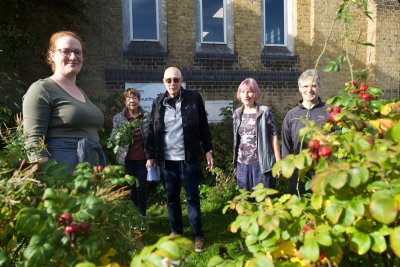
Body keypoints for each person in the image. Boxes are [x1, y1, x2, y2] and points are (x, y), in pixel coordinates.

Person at [146, 67, 214, 253]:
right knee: (171, 197)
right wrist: (150, 156)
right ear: (163, 81)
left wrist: (208, 149)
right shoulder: (159, 102)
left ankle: (197, 234)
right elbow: (152, 130)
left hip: (188, 158)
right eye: (168, 80)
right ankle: (176, 231)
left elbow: (203, 126)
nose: (172, 84)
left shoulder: (193, 98)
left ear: (182, 80)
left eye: (176, 80)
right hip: (167, 161)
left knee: (192, 197)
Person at [23, 31, 105, 173]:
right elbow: (33, 142)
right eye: (66, 51)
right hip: (63, 170)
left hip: (91, 167)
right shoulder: (42, 89)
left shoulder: (81, 91)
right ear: (52, 55)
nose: (73, 57)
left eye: (77, 52)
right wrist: (50, 178)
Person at [281, 69, 329, 195]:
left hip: (322, 168)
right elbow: (286, 144)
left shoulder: (328, 111)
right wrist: (287, 166)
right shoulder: (292, 115)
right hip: (299, 169)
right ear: (300, 88)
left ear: (319, 87)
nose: (309, 90)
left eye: (313, 85)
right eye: (305, 86)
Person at [233, 78, 281, 191]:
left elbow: (273, 137)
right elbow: (237, 140)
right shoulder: (237, 113)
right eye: (243, 92)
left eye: (249, 91)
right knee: (245, 200)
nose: (246, 95)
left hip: (261, 164)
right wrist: (235, 163)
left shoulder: (264, 112)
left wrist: (278, 162)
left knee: (263, 200)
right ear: (239, 94)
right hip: (242, 164)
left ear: (255, 93)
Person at [112, 88, 150, 217]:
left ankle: (143, 214)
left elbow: (152, 136)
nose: (132, 101)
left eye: (134, 98)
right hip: (126, 159)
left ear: (139, 100)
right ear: (125, 101)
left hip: (143, 158)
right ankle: (134, 214)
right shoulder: (118, 118)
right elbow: (112, 137)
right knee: (130, 187)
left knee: (142, 187)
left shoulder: (147, 116)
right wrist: (119, 135)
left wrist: (152, 156)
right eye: (129, 98)